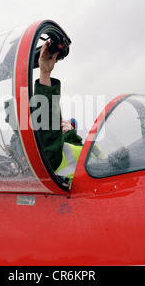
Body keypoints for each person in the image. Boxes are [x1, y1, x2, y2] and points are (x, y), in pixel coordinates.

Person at [34, 40, 83, 183]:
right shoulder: (56, 154)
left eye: (68, 123)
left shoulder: (90, 147)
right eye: (61, 123)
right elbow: (48, 120)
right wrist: (45, 74)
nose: (64, 122)